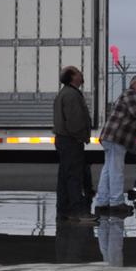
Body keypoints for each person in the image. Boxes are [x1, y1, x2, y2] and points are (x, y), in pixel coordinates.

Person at [94, 74, 136, 216]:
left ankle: (101, 202)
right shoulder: (132, 94)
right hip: (117, 137)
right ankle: (116, 203)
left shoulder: (127, 94)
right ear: (134, 84)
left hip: (110, 136)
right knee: (116, 170)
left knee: (108, 170)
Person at [53, 65, 96, 223]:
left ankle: (64, 210)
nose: (81, 74)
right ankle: (77, 212)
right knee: (74, 177)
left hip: (65, 140)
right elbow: (74, 121)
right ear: (72, 77)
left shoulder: (66, 93)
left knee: (65, 177)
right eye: (78, 72)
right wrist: (80, 136)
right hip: (71, 141)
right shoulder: (71, 95)